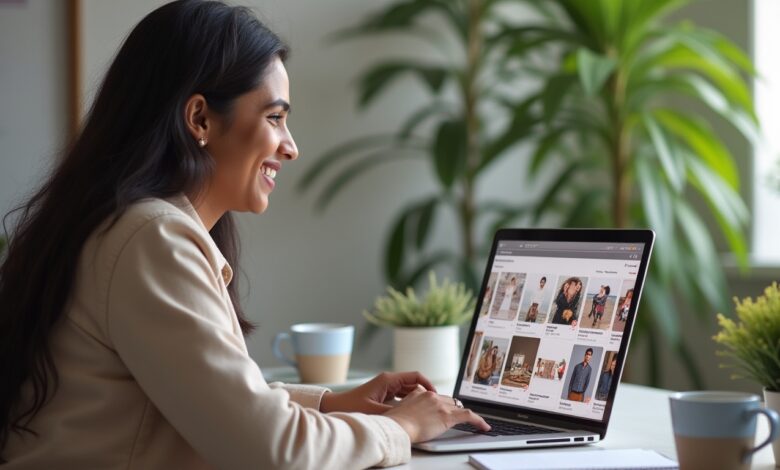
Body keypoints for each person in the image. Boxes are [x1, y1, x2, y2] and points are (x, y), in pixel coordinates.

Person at [0, 2, 489, 468]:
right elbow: (272, 452)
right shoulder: (151, 238)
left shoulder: (120, 224)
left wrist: (333, 402)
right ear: (200, 119)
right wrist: (400, 429)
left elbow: (207, 400)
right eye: (275, 117)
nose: (291, 147)